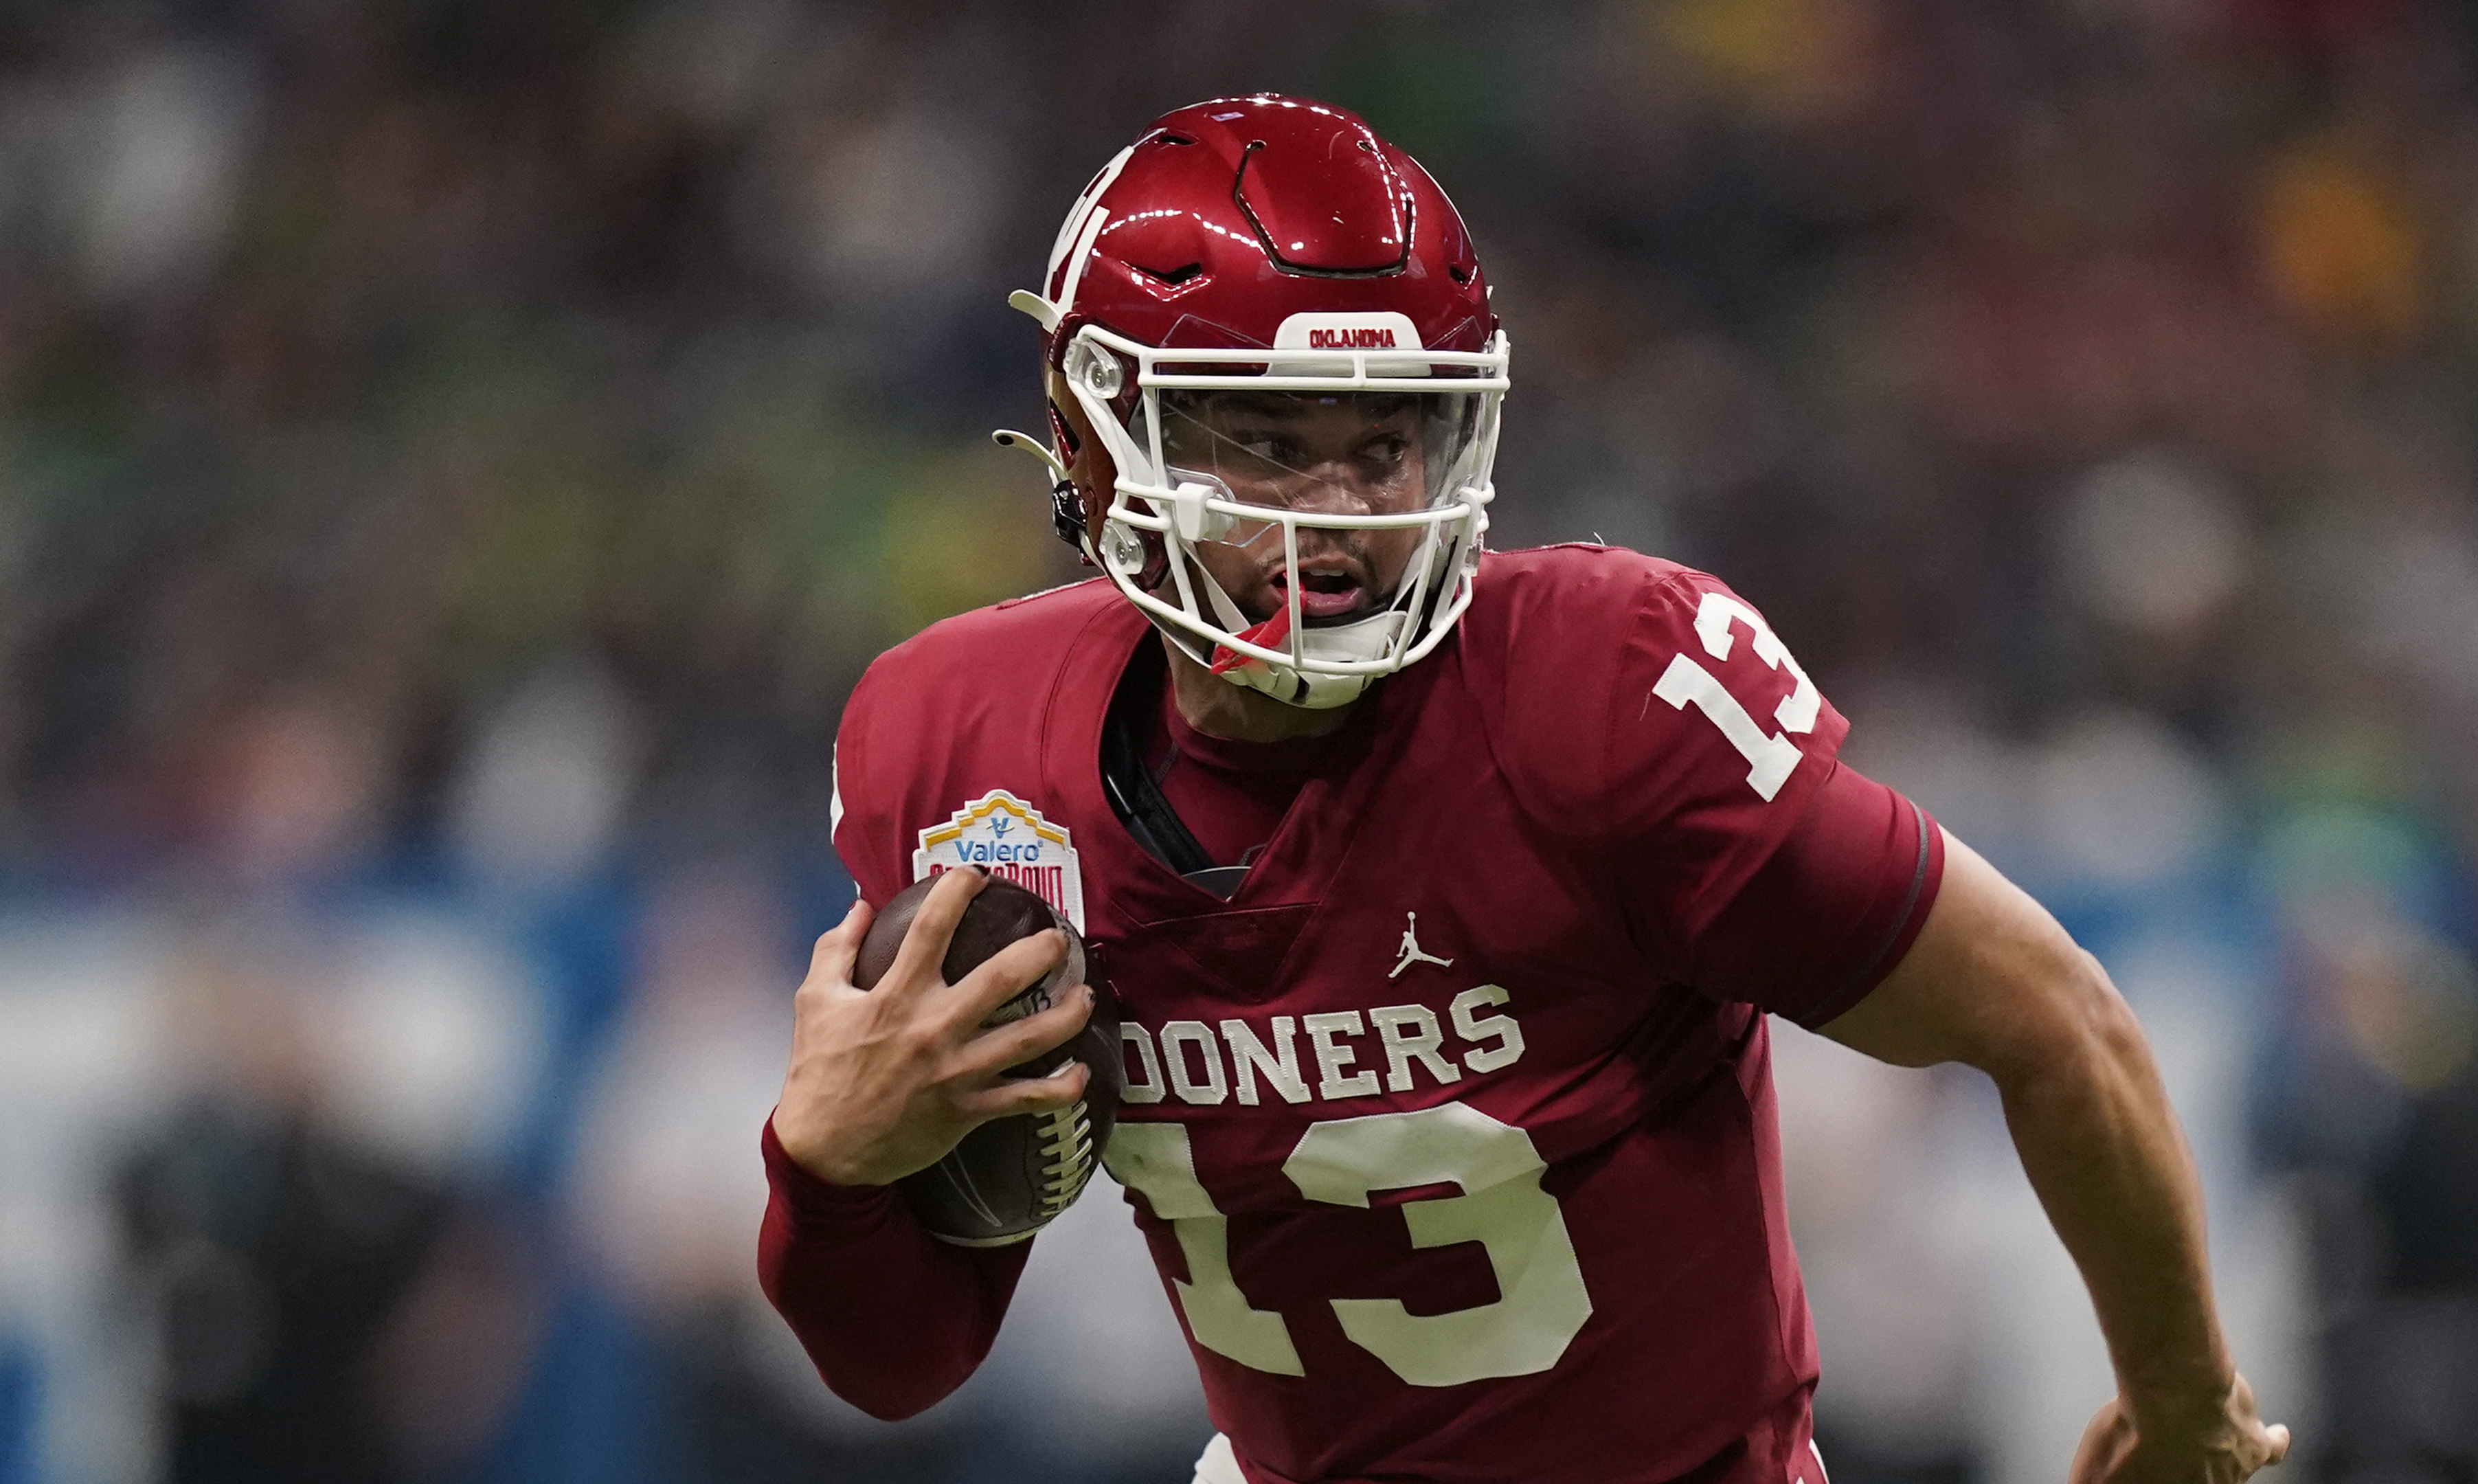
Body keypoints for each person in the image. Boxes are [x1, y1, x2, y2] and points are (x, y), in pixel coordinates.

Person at [758, 94, 2292, 1484]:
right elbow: (903, 1364)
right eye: (1270, 446)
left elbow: (2055, 1021)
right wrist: (833, 1172)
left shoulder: (1600, 701)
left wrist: (2183, 1399)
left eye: (1390, 442)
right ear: (1095, 444)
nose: (1343, 519)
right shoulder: (965, 753)